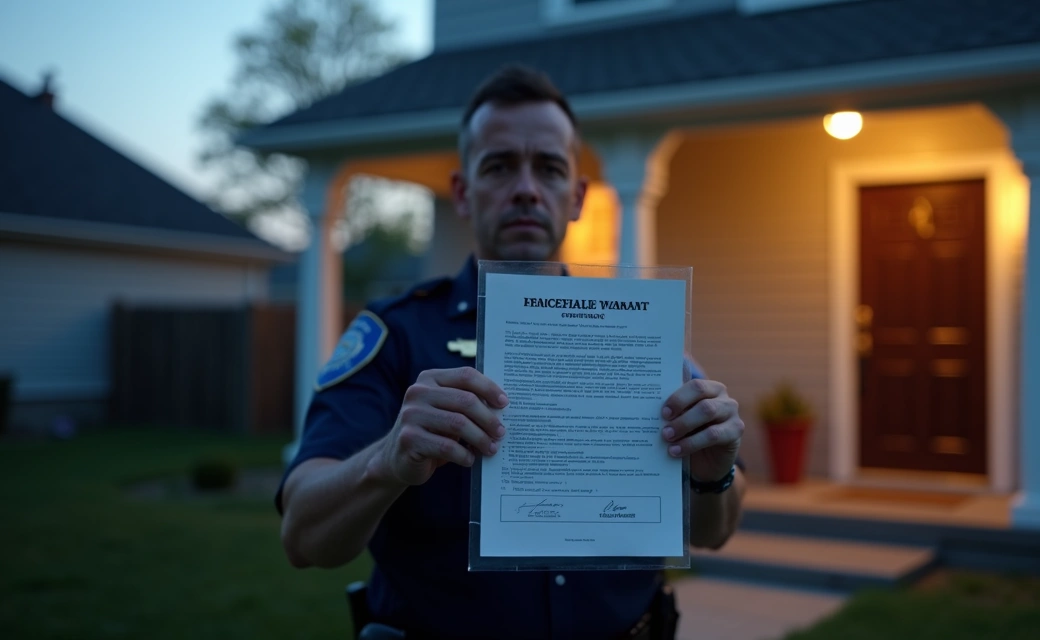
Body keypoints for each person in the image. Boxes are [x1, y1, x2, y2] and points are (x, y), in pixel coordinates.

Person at [276, 65, 746, 640]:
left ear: (575, 197)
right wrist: (387, 460)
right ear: (463, 193)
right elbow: (302, 537)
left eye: (549, 168)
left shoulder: (635, 337)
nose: (526, 187)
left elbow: (713, 531)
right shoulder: (396, 334)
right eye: (500, 166)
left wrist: (714, 471)